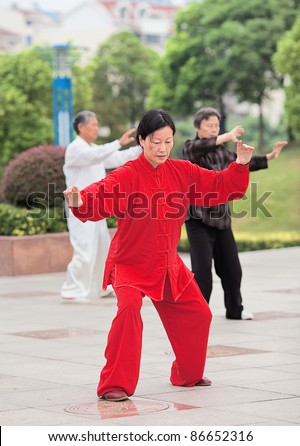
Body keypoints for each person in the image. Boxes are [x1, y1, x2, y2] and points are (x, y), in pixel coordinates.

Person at [63, 108, 254, 402]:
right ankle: (114, 384)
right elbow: (99, 193)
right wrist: (79, 200)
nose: (162, 148)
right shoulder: (127, 174)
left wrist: (240, 163)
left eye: (168, 141)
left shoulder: (181, 171)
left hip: (167, 264)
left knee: (200, 313)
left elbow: (217, 185)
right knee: (128, 311)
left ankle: (186, 373)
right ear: (141, 140)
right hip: (130, 262)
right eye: (155, 142)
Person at [182, 106, 288, 320]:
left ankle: (235, 310)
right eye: (209, 125)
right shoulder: (190, 148)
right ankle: (198, 315)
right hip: (198, 219)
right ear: (197, 127)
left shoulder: (223, 152)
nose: (214, 129)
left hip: (221, 219)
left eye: (216, 125)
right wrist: (226, 136)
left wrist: (269, 156)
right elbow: (202, 145)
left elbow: (243, 164)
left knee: (232, 269)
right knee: (202, 272)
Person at [61, 110, 141, 303]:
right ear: (81, 127)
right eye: (93, 125)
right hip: (78, 206)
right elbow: (95, 155)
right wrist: (118, 142)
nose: (96, 128)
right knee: (84, 248)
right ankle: (72, 290)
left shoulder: (94, 149)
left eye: (97, 125)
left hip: (96, 207)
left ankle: (102, 287)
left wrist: (142, 147)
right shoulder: (76, 149)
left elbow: (118, 158)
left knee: (102, 247)